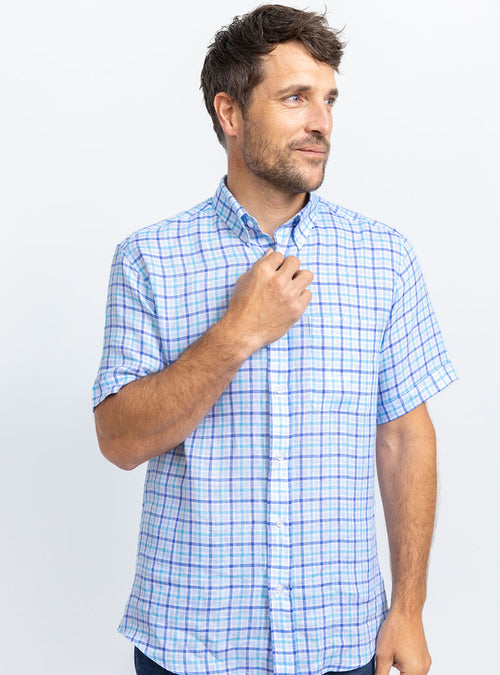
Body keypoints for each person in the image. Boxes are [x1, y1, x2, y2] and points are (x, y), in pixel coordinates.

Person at [92, 5, 457, 675]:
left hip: (342, 642)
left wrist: (409, 607)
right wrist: (236, 333)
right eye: (295, 98)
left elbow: (406, 437)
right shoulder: (149, 259)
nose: (322, 122)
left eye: (329, 100)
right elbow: (119, 440)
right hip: (191, 646)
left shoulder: (384, 257)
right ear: (230, 112)